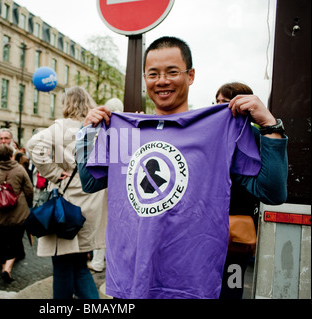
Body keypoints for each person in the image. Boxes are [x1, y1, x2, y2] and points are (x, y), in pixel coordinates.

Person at [76, 36, 288, 299]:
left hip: (191, 285)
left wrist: (269, 125)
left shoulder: (219, 129)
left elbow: (273, 192)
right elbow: (90, 182)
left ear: (191, 76)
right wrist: (85, 135)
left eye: (172, 72)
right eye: (153, 74)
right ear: (145, 79)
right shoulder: (126, 132)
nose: (162, 80)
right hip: (131, 283)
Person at [27, 86, 108, 299]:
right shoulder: (97, 129)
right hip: (92, 201)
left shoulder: (61, 127)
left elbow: (33, 145)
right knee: (79, 264)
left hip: (66, 204)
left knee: (63, 265)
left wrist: (53, 172)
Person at [215, 82, 270, 299]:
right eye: (217, 101)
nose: (219, 107)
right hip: (212, 228)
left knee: (232, 284)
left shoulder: (255, 137)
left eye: (225, 102)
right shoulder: (214, 136)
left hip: (237, 232)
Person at [0, 144, 34, 283]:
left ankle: (5, 268)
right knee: (15, 242)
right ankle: (7, 270)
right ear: (11, 156)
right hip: (19, 213)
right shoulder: (19, 169)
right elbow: (29, 190)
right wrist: (29, 205)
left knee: (2, 242)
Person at [87, 97, 124, 273]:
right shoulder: (126, 129)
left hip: (105, 184)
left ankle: (97, 262)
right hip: (116, 185)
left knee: (103, 224)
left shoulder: (100, 130)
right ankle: (104, 262)